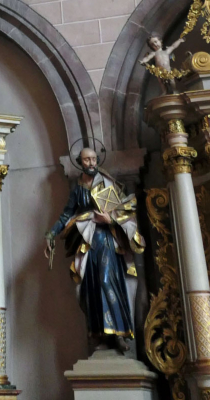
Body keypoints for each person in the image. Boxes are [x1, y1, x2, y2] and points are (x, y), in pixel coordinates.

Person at [45, 147, 144, 353]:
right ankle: (100, 334)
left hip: (108, 240)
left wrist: (110, 219)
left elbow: (123, 211)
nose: (91, 163)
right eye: (86, 160)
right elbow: (66, 216)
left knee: (107, 281)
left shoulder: (107, 184)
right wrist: (51, 234)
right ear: (80, 163)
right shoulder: (78, 189)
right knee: (91, 289)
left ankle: (118, 333)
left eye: (93, 159)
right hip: (89, 244)